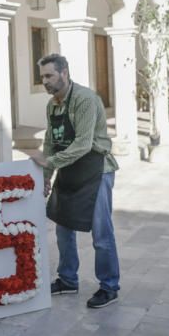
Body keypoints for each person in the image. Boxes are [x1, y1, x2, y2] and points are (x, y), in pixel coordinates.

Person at [30, 53, 120, 309]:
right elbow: (50, 142)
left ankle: (109, 286)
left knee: (101, 234)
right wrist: (46, 177)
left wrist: (51, 163)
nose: (45, 82)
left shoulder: (85, 99)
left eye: (49, 75)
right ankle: (68, 279)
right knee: (63, 227)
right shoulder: (52, 105)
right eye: (42, 78)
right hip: (69, 169)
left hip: (96, 169)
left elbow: (82, 144)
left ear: (64, 73)